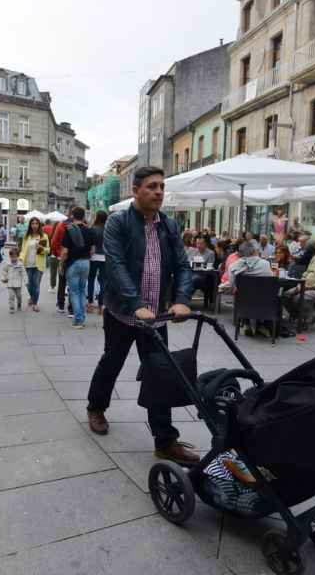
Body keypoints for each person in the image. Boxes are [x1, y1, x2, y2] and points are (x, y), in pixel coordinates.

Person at [85, 166, 197, 465]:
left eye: (161, 186)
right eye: (152, 186)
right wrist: (135, 303)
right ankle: (96, 407)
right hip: (123, 313)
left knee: (160, 372)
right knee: (112, 361)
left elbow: (183, 266)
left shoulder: (170, 226)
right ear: (135, 190)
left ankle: (165, 441)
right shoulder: (118, 222)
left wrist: (183, 299)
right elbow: (116, 265)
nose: (159, 191)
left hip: (156, 317)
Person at [227, 241, 274, 337]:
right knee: (271, 295)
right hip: (264, 301)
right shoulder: (265, 264)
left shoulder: (233, 266)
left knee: (243, 294)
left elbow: (231, 285)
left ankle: (247, 324)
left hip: (244, 301)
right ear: (253, 252)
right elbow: (271, 280)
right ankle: (263, 326)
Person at [62, 206, 94, 328]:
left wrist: (62, 263)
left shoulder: (68, 229)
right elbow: (92, 251)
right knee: (82, 290)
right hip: (86, 263)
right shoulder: (89, 230)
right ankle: (81, 317)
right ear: (83, 216)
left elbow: (65, 251)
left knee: (74, 292)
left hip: (73, 263)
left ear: (72, 216)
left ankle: (78, 319)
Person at [19, 217, 50, 312]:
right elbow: (23, 249)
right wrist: (20, 258)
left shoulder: (44, 236)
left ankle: (35, 303)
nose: (34, 225)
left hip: (38, 264)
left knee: (36, 285)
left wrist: (41, 248)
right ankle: (32, 297)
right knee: (29, 285)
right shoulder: (26, 236)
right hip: (28, 264)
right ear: (30, 225)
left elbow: (48, 250)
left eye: (36, 223)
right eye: (33, 223)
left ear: (39, 225)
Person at [88, 211, 108, 314]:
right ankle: (101, 305)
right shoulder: (108, 229)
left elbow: (89, 243)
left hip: (94, 257)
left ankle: (90, 303)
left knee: (91, 279)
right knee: (103, 281)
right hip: (105, 257)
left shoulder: (92, 229)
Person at [51, 214, 69, 312]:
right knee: (74, 284)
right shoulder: (83, 225)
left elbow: (54, 242)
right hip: (76, 258)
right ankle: (72, 308)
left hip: (62, 256)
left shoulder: (61, 226)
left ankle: (61, 304)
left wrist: (56, 253)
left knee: (62, 281)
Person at [1, 247, 27, 313]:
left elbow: (24, 273)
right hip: (10, 283)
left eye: (15, 257)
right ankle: (11, 307)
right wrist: (4, 278)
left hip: (18, 284)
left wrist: (26, 281)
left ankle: (19, 304)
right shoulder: (8, 264)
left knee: (19, 296)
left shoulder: (20, 264)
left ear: (18, 256)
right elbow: (4, 271)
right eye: (12, 257)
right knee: (11, 296)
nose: (13, 259)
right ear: (10, 256)